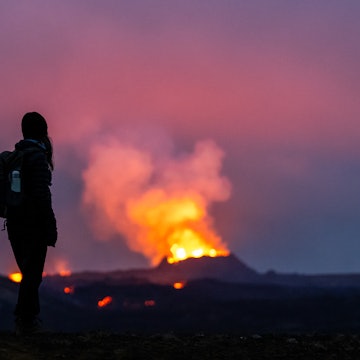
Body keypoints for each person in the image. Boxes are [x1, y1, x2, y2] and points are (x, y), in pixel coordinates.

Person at [6, 112, 57, 335]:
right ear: (42, 130)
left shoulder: (16, 155)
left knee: (28, 272)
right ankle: (27, 322)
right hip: (33, 224)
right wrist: (50, 226)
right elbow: (41, 195)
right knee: (33, 273)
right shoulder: (37, 157)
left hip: (14, 223)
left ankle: (25, 321)